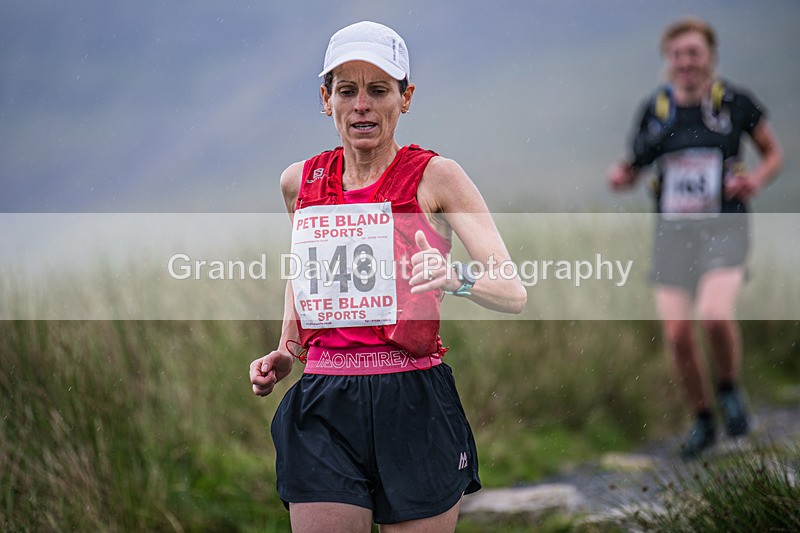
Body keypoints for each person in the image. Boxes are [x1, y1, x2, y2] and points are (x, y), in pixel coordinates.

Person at [249, 21, 527, 532]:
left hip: (413, 398)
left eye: (379, 90)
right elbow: (304, 269)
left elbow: (512, 291)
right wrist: (287, 349)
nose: (362, 105)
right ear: (325, 98)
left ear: (406, 98)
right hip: (324, 400)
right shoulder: (300, 182)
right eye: (347, 90)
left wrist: (454, 278)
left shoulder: (437, 177)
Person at [608, 17, 783, 458]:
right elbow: (635, 164)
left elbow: (773, 153)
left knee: (714, 315)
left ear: (710, 57)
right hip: (672, 236)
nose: (686, 62)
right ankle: (703, 418)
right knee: (678, 335)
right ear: (668, 61)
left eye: (694, 54)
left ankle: (728, 390)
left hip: (724, 228)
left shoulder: (733, 104)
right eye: (678, 55)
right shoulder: (656, 111)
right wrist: (621, 176)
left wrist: (756, 180)